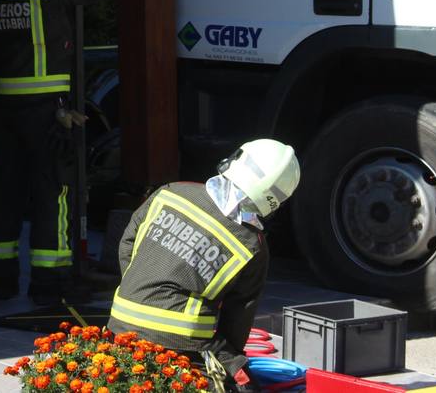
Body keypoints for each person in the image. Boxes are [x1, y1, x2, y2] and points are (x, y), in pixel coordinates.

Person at [0, 0, 110, 303]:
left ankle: (1, 280)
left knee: (4, 192)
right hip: (49, 113)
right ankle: (47, 283)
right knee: (53, 194)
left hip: (1, 109)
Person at [107, 140, 301, 393]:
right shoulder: (252, 244)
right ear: (277, 199)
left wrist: (141, 286)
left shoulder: (170, 192)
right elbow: (238, 315)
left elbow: (127, 245)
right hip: (183, 344)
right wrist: (230, 361)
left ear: (235, 160)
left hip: (120, 322)